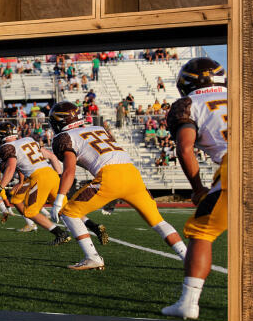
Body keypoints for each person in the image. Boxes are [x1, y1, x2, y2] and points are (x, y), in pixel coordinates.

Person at [50, 98, 173, 271]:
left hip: (109, 176)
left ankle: (92, 257)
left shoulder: (64, 137)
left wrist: (59, 199)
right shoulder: (99, 129)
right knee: (158, 221)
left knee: (68, 213)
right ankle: (187, 255)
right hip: (132, 173)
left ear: (59, 122)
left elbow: (69, 171)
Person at [161, 55, 228, 320]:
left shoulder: (190, 104)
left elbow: (185, 148)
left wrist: (198, 188)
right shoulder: (245, 95)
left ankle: (188, 303)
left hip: (239, 164)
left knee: (201, 231)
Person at [0, 114, 62, 231]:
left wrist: (0, 187)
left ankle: (59, 232)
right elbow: (52, 156)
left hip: (37, 177)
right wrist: (60, 177)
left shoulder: (7, 147)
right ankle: (86, 226)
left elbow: (11, 167)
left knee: (30, 210)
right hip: (50, 173)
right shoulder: (28, 139)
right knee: (16, 198)